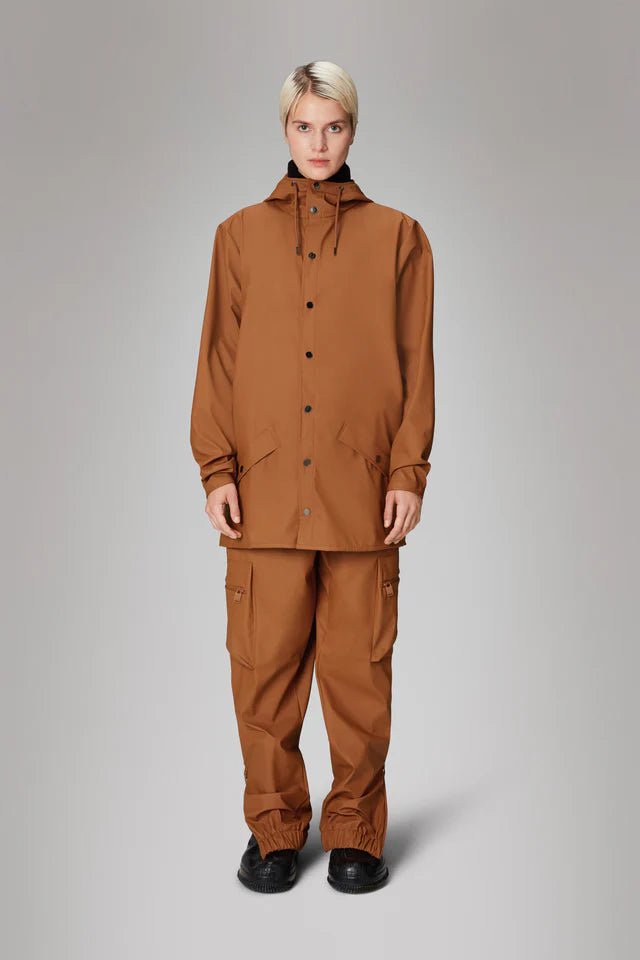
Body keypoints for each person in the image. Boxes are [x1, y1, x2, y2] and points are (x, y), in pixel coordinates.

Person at [190, 60, 435, 894]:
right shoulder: (237, 236)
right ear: (284, 130)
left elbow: (415, 364)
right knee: (263, 671)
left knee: (359, 671)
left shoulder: (401, 238)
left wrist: (408, 471)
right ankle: (274, 830)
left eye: (333, 127)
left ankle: (356, 830)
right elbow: (218, 362)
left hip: (362, 491)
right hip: (262, 494)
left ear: (353, 130)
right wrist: (216, 468)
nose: (319, 143)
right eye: (304, 126)